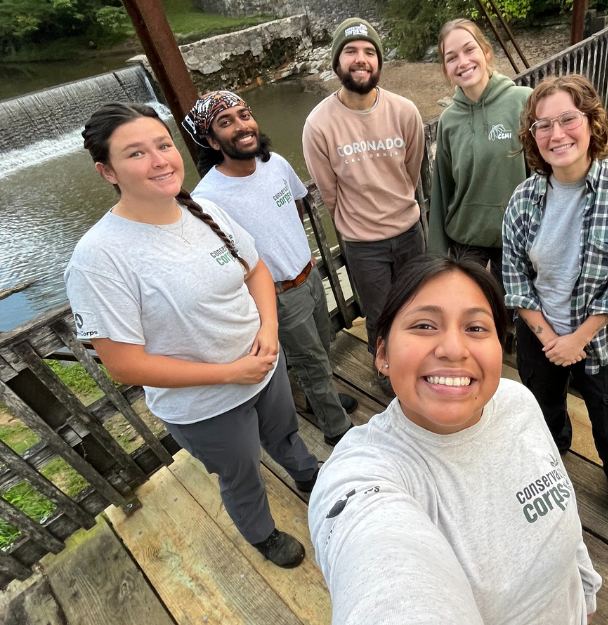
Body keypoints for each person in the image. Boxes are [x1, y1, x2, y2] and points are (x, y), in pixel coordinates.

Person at [65, 102, 319, 569]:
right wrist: (227, 372)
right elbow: (123, 363)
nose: (160, 160)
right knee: (242, 472)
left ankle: (306, 474)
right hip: (205, 405)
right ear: (107, 171)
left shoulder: (204, 209)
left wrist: (269, 329)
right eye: (136, 153)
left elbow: (256, 269)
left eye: (163, 145)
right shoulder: (99, 257)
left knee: (284, 432)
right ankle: (263, 534)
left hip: (262, 364)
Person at [309, 254, 602, 624]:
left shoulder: (518, 402)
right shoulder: (365, 473)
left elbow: (567, 525)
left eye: (477, 328)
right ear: (382, 353)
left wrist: (587, 598)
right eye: (425, 325)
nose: (453, 349)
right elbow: (378, 562)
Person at [502, 75, 608, 532]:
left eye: (567, 119)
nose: (556, 134)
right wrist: (552, 339)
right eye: (542, 125)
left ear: (591, 122)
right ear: (533, 138)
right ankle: (553, 461)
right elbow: (515, 278)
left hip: (601, 340)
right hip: (541, 337)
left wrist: (579, 339)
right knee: (542, 412)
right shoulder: (524, 199)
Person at [184, 90, 357, 448]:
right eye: (225, 121)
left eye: (244, 114)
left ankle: (318, 400)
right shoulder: (208, 198)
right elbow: (220, 258)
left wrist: (298, 253)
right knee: (310, 361)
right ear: (212, 140)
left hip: (309, 276)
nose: (241, 125)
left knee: (322, 348)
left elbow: (293, 206)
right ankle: (337, 429)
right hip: (277, 293)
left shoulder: (275, 163)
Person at [302, 17, 426, 396]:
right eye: (351, 51)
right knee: (379, 314)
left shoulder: (405, 112)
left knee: (417, 304)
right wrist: (361, 222)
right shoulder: (318, 125)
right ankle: (386, 370)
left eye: (369, 52)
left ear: (378, 61)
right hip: (362, 243)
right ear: (337, 61)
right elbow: (328, 191)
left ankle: (419, 359)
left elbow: (412, 169)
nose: (361, 59)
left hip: (409, 232)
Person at [428, 18, 532, 286]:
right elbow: (442, 189)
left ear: (486, 52)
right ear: (446, 69)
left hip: (516, 234)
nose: (462, 62)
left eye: (469, 50)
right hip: (466, 236)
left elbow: (543, 171)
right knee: (468, 310)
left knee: (508, 314)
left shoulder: (523, 101)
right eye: (451, 58)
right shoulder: (449, 121)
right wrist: (436, 255)